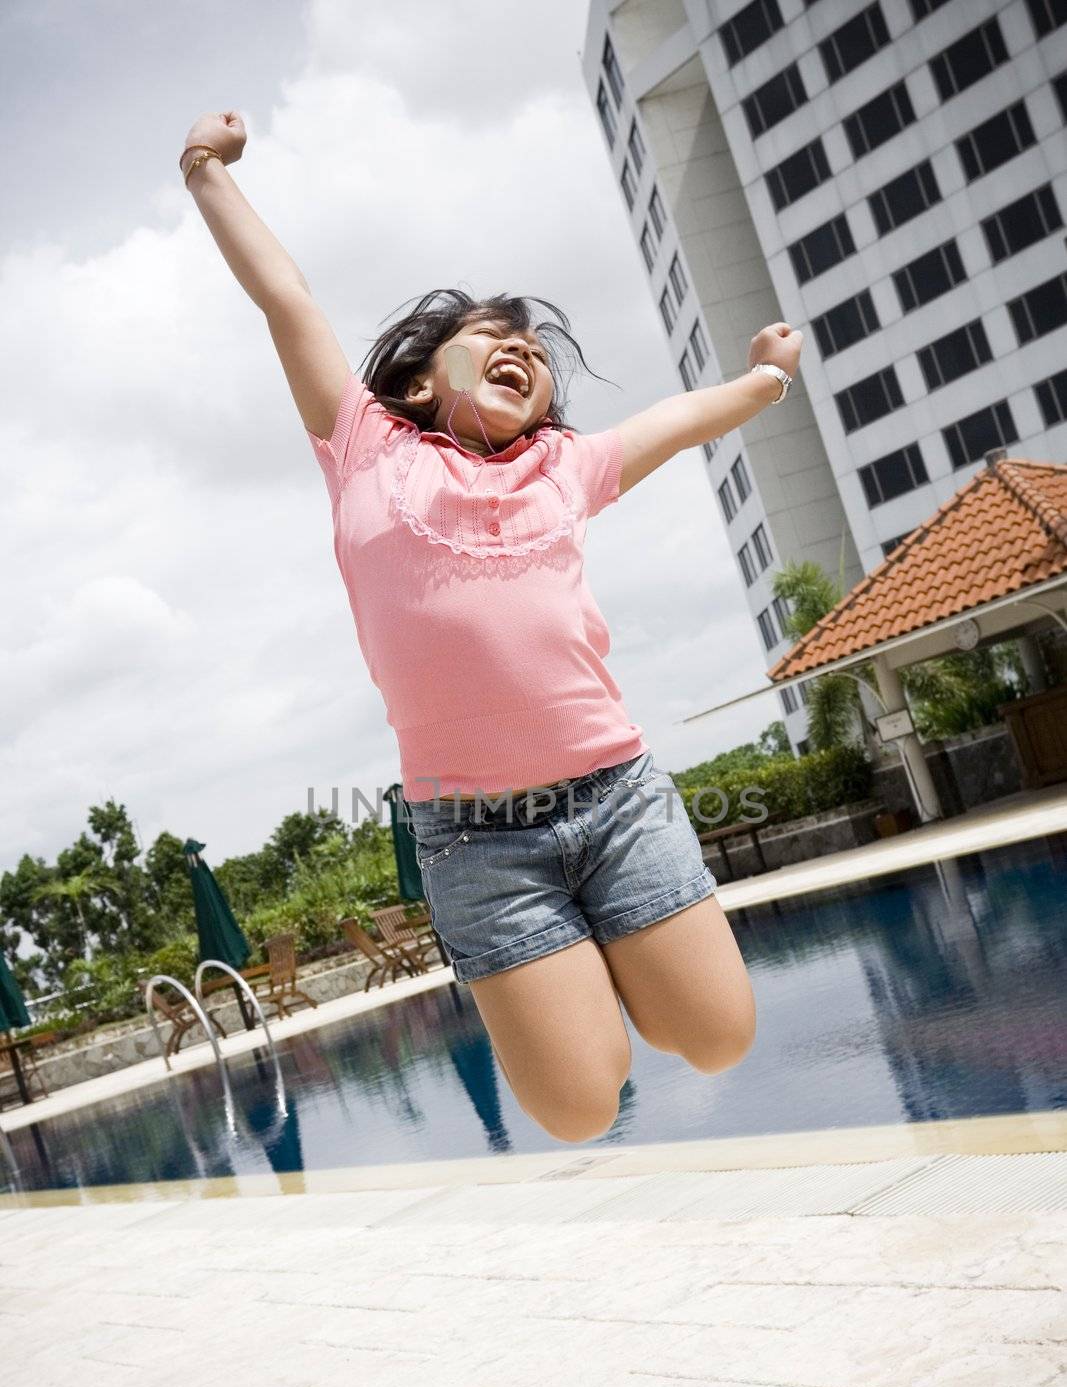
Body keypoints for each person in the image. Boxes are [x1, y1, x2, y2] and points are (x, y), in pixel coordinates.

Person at [179, 110, 803, 1144]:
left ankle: (622, 967)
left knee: (718, 1037)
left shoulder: (568, 465)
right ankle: (572, 1001)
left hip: (615, 799)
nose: (519, 346)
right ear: (420, 383)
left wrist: (766, 376)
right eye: (490, 337)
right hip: (476, 842)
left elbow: (679, 417)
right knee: (573, 1107)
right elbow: (284, 297)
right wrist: (204, 169)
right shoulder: (365, 443)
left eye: (534, 350)